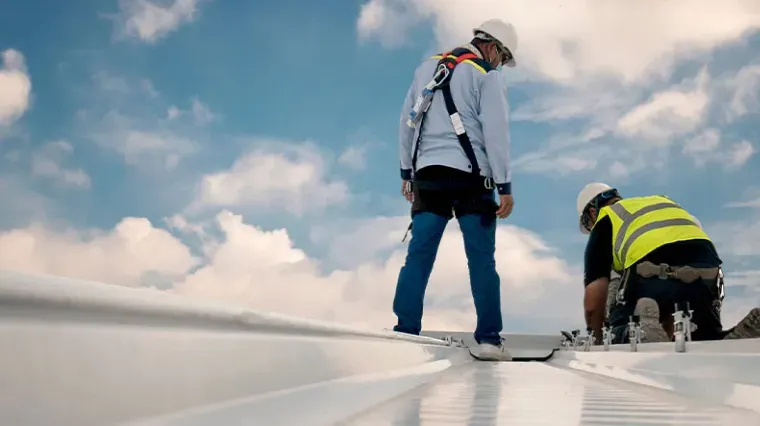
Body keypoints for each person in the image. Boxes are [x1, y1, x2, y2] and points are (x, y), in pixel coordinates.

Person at [391, 19, 518, 360]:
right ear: (492, 47)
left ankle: (405, 332)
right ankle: (489, 339)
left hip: (428, 176)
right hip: (472, 181)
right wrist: (504, 184)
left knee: (418, 256)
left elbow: (407, 119)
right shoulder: (486, 76)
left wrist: (407, 171)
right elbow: (496, 133)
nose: (501, 65)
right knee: (481, 260)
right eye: (503, 58)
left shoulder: (426, 68)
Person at [577, 182, 729, 344]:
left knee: (619, 328)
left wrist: (597, 338)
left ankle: (637, 331)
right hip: (706, 277)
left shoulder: (607, 217)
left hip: (653, 274)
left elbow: (595, 293)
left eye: (588, 224)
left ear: (592, 213)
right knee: (705, 338)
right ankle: (731, 336)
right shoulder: (661, 202)